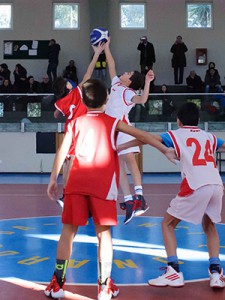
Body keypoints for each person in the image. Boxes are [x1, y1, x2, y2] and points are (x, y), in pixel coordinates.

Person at [45, 78, 176, 300]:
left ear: (84, 102)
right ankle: (104, 287)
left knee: (68, 232)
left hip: (76, 183)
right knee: (103, 234)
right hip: (102, 186)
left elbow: (63, 150)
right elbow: (142, 135)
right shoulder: (113, 122)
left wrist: (53, 180)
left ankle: (57, 284)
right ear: (107, 99)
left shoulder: (76, 123)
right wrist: (164, 149)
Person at [119, 102, 225, 289]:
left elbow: (146, 138)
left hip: (195, 184)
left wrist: (120, 147)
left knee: (167, 224)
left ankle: (173, 270)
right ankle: (216, 273)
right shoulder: (209, 137)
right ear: (198, 120)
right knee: (209, 226)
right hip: (216, 184)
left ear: (178, 121)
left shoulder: (176, 134)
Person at [104, 37, 155, 224]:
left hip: (124, 129)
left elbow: (142, 100)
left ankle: (140, 196)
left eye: (128, 73)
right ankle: (128, 200)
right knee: (118, 167)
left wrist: (147, 82)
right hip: (112, 131)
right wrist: (107, 47)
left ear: (130, 81)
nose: (124, 73)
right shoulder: (117, 84)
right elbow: (111, 65)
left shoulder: (129, 93)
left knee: (130, 161)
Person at [53, 42, 105, 208]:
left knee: (71, 162)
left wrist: (64, 110)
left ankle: (68, 193)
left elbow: (55, 114)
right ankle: (68, 194)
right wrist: (96, 54)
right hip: (81, 129)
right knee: (78, 162)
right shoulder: (77, 92)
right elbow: (89, 72)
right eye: (67, 81)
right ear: (67, 86)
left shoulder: (62, 100)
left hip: (69, 128)